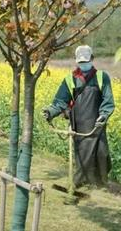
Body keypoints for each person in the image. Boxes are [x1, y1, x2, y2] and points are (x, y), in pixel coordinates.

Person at [42, 45, 115, 188]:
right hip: (79, 124)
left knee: (102, 154)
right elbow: (60, 101)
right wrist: (50, 112)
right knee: (84, 155)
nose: (84, 65)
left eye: (86, 61)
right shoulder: (70, 79)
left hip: (97, 124)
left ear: (92, 59)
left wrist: (104, 115)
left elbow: (108, 100)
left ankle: (99, 182)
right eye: (81, 62)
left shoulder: (102, 77)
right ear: (76, 62)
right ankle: (77, 183)